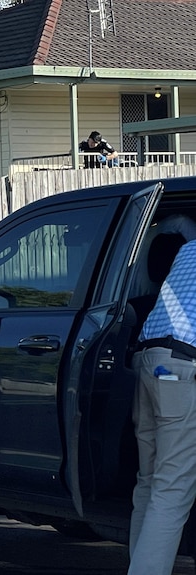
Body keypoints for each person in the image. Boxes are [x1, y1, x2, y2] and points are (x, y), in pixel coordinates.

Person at [128, 237, 196, 575]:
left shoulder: (188, 249)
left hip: (149, 358)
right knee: (173, 488)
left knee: (150, 480)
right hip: (183, 366)